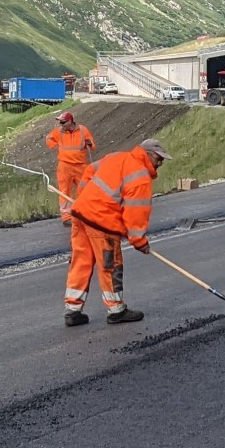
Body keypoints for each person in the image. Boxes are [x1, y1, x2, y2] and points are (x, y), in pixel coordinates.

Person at [63, 138, 166, 326]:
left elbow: (88, 172)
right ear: (149, 155)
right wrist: (139, 241)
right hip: (102, 223)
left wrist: (85, 198)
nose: (160, 164)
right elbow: (136, 213)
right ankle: (116, 309)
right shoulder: (140, 177)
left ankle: (73, 309)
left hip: (80, 214)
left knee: (81, 261)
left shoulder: (116, 157)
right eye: (159, 159)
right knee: (110, 265)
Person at [45, 109, 97, 225]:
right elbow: (48, 138)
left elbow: (92, 145)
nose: (61, 125)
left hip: (81, 166)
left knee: (85, 190)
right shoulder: (59, 131)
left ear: (70, 121)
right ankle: (66, 216)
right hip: (64, 166)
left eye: (63, 122)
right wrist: (54, 145)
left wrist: (90, 143)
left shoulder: (83, 130)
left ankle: (85, 213)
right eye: (60, 122)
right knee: (64, 191)